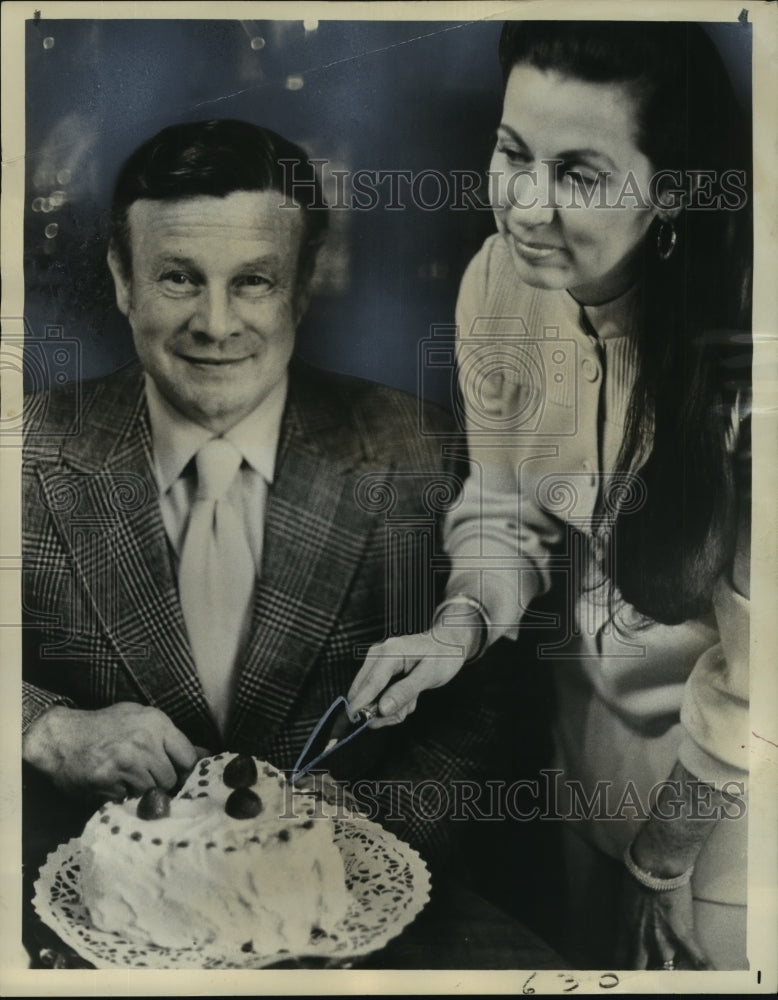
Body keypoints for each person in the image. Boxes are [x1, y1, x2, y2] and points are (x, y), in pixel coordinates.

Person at [347, 21, 752, 969]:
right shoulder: (500, 284)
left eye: (578, 173)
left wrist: (665, 863)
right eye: (511, 153)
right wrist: (455, 630)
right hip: (588, 760)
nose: (525, 206)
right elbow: (501, 513)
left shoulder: (751, 354)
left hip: (731, 798)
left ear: (674, 192)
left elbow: (761, 670)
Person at [20, 118, 495, 870]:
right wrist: (43, 729)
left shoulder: (425, 453)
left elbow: (483, 717)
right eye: (179, 277)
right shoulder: (23, 451)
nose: (215, 324)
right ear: (120, 279)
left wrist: (363, 844)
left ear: (301, 288)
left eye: (253, 281)